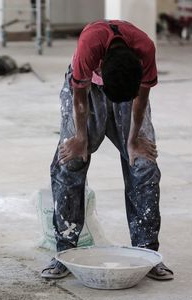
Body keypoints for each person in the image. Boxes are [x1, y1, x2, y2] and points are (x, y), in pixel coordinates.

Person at [41, 20, 174, 281]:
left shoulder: (145, 48)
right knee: (70, 162)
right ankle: (64, 252)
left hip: (128, 92)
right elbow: (79, 97)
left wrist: (133, 139)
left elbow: (142, 97)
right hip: (87, 91)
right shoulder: (90, 44)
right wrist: (80, 137)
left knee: (144, 164)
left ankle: (147, 253)